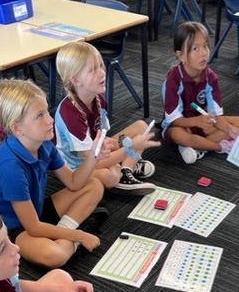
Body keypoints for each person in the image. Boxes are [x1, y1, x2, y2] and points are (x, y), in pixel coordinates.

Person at [0, 78, 110, 269]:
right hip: (14, 228)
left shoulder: (44, 143)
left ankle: (63, 233)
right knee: (55, 256)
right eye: (40, 116)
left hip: (34, 211)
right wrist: (79, 235)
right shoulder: (9, 166)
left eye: (47, 111)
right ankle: (71, 235)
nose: (50, 119)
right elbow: (32, 227)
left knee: (94, 185)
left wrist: (93, 158)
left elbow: (74, 182)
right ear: (17, 128)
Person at [55, 41, 160, 195]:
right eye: (93, 70)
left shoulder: (98, 99)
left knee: (141, 127)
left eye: (101, 65)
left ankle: (125, 170)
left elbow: (105, 140)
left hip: (97, 150)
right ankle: (122, 170)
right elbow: (93, 160)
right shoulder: (69, 114)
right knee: (109, 177)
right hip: (79, 167)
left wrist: (124, 145)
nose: (102, 73)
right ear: (76, 80)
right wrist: (130, 147)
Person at [162, 21, 239, 165]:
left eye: (205, 46)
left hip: (204, 122)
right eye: (195, 48)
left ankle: (198, 146)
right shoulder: (173, 80)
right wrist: (196, 121)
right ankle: (220, 147)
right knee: (179, 135)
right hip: (181, 124)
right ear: (181, 56)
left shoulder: (211, 77)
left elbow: (216, 115)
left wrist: (229, 128)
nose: (204, 53)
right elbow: (174, 120)